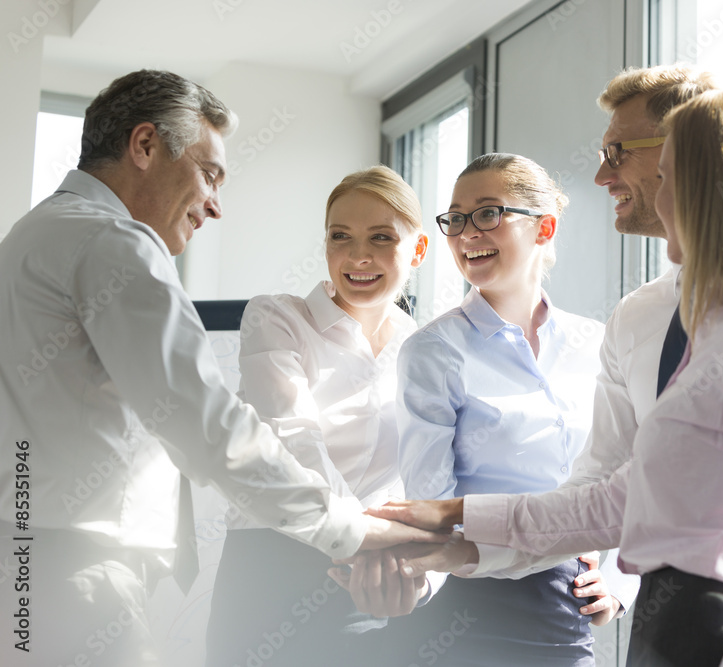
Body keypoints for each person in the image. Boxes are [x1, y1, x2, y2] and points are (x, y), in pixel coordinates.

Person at [377, 65, 723, 667]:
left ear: (696, 162)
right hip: (675, 615)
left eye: (618, 153)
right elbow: (609, 498)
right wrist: (459, 534)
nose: (600, 175)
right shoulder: (644, 318)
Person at [0, 70, 441, 667]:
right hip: (77, 564)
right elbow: (206, 422)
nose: (215, 204)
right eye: (209, 174)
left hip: (33, 551)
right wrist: (354, 530)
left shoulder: (34, 235)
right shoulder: (114, 242)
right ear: (145, 145)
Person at [381, 153, 607, 666]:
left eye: (488, 213)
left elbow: (625, 477)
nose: (467, 234)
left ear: (544, 228)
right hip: (464, 610)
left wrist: (617, 583)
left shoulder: (596, 343)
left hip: (567, 607)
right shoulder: (433, 351)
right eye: (456, 218)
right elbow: (431, 508)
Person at [205, 166, 430, 665]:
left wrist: (421, 575)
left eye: (381, 237)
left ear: (418, 249)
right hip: (272, 569)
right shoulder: (278, 318)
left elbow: (432, 475)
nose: (357, 256)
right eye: (340, 236)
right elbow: (294, 440)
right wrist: (366, 538)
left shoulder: (424, 347)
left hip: (372, 582)